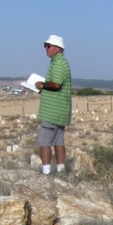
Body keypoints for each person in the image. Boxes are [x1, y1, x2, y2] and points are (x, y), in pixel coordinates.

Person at [36, 35, 72, 175]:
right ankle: (61, 170)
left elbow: (56, 84)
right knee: (58, 141)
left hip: (52, 110)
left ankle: (46, 172)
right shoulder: (61, 62)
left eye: (48, 46)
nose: (46, 48)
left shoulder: (58, 64)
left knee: (44, 141)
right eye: (45, 45)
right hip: (60, 110)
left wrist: (42, 85)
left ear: (57, 48)